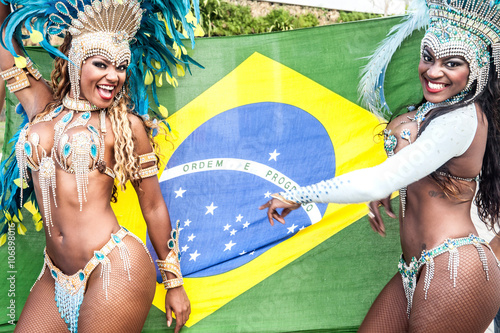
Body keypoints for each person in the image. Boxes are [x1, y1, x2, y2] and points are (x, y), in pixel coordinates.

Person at [260, 0, 500, 331]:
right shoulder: (425, 112)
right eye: (428, 57)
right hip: (414, 267)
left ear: (478, 69)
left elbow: (378, 180)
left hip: (455, 266)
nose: (433, 71)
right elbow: (403, 164)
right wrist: (394, 184)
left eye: (452, 63)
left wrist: (297, 196)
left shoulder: (461, 119)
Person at [0, 0, 200, 331]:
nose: (113, 76)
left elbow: (152, 206)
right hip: (55, 273)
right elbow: (6, 48)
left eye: (121, 67)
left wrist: (174, 283)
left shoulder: (125, 126)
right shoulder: (42, 107)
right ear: (75, 61)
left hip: (114, 264)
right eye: (101, 64)